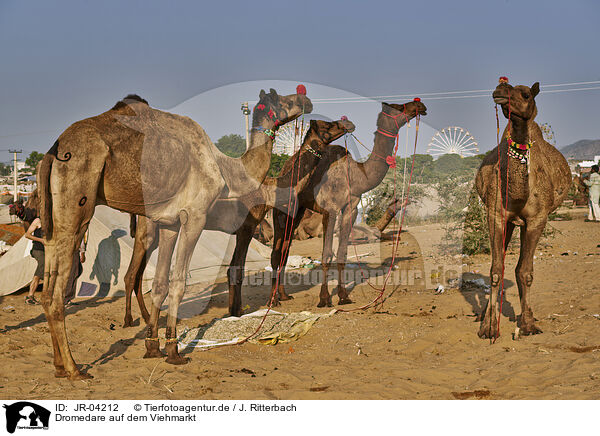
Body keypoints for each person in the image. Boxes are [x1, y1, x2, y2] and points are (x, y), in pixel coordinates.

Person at [24, 217, 45, 305]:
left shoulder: (53, 220)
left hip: (47, 251)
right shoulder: (38, 221)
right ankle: (30, 295)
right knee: (42, 268)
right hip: (38, 250)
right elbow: (27, 235)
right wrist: (41, 240)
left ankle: (31, 296)